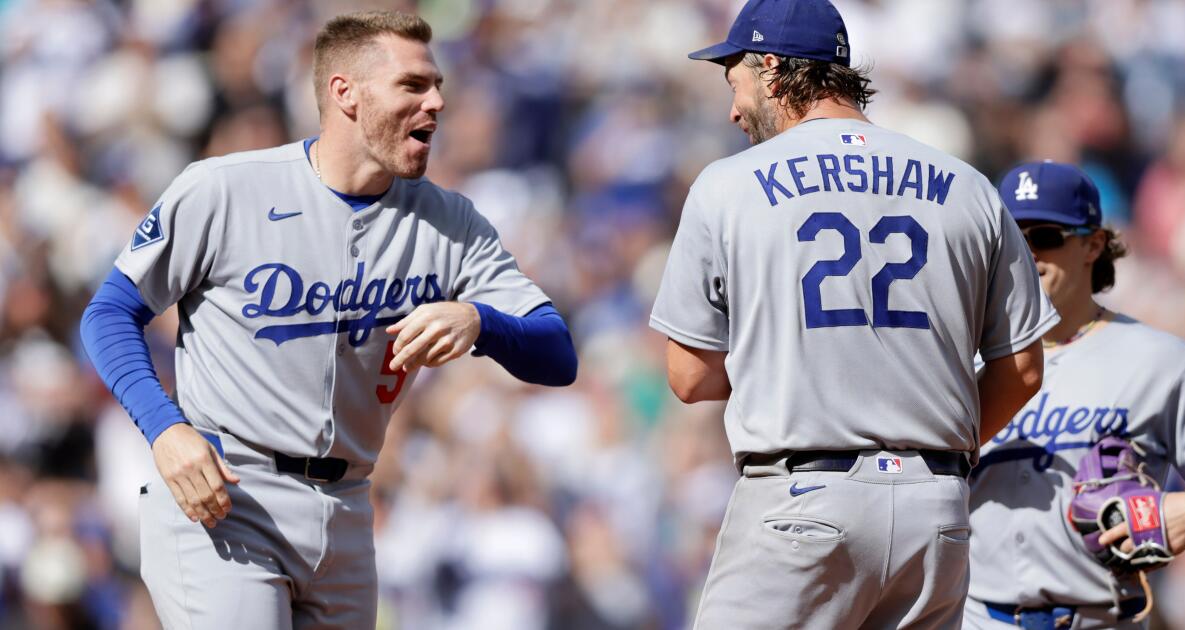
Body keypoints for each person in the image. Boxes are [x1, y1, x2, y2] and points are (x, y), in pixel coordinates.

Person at [79, 11, 576, 629]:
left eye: (437, 84)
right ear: (346, 92)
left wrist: (483, 321)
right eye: (413, 85)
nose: (438, 101)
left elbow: (558, 353)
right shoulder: (226, 190)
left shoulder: (451, 223)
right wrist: (164, 429)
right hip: (229, 494)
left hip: (347, 507)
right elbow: (109, 314)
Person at [649, 0, 1058, 627]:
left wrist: (790, 351)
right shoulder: (969, 186)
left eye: (735, 81)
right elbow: (1024, 370)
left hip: (802, 501)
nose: (733, 109)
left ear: (774, 70)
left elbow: (690, 376)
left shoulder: (728, 186)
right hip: (937, 511)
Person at [965, 161, 1185, 629]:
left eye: (1046, 236)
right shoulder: (961, 363)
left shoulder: (1162, 362)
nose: (1026, 253)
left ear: (1094, 244)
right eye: (1012, 237)